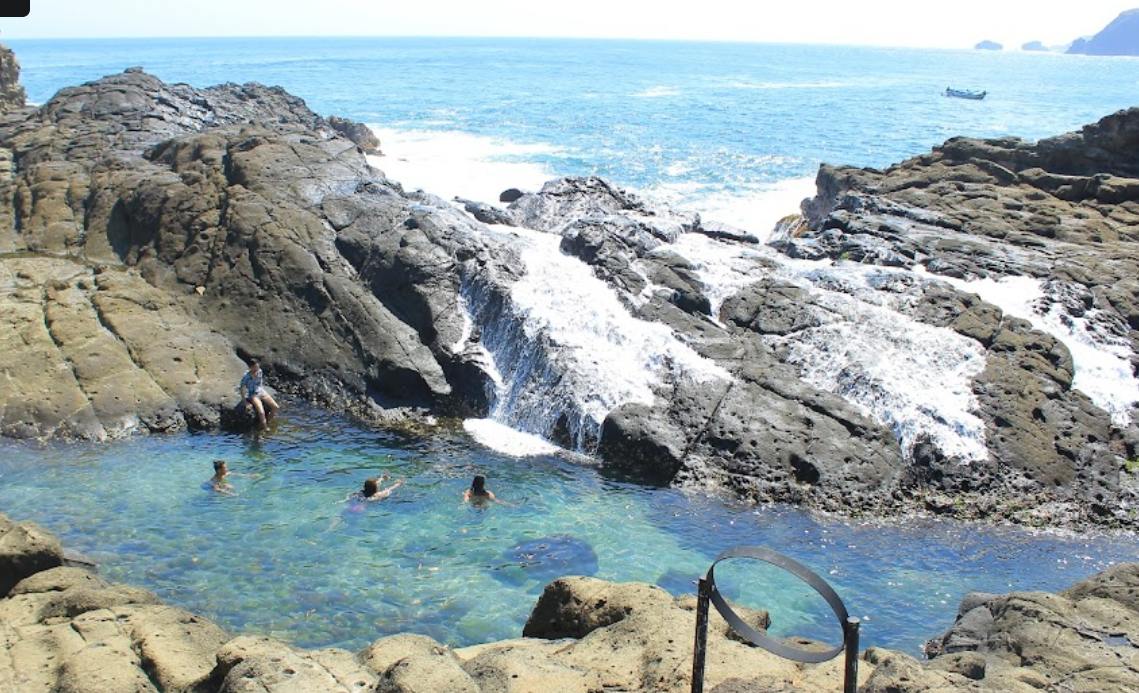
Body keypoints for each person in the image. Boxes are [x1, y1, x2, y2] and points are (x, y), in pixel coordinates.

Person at [239, 358, 279, 429]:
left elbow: (260, 383)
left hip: (261, 390)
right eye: (255, 367)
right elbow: (242, 388)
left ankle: (268, 421)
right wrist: (245, 402)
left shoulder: (260, 371)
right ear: (250, 367)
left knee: (275, 407)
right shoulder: (246, 377)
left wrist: (263, 391)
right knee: (261, 412)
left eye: (257, 366)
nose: (257, 368)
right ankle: (264, 427)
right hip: (253, 394)